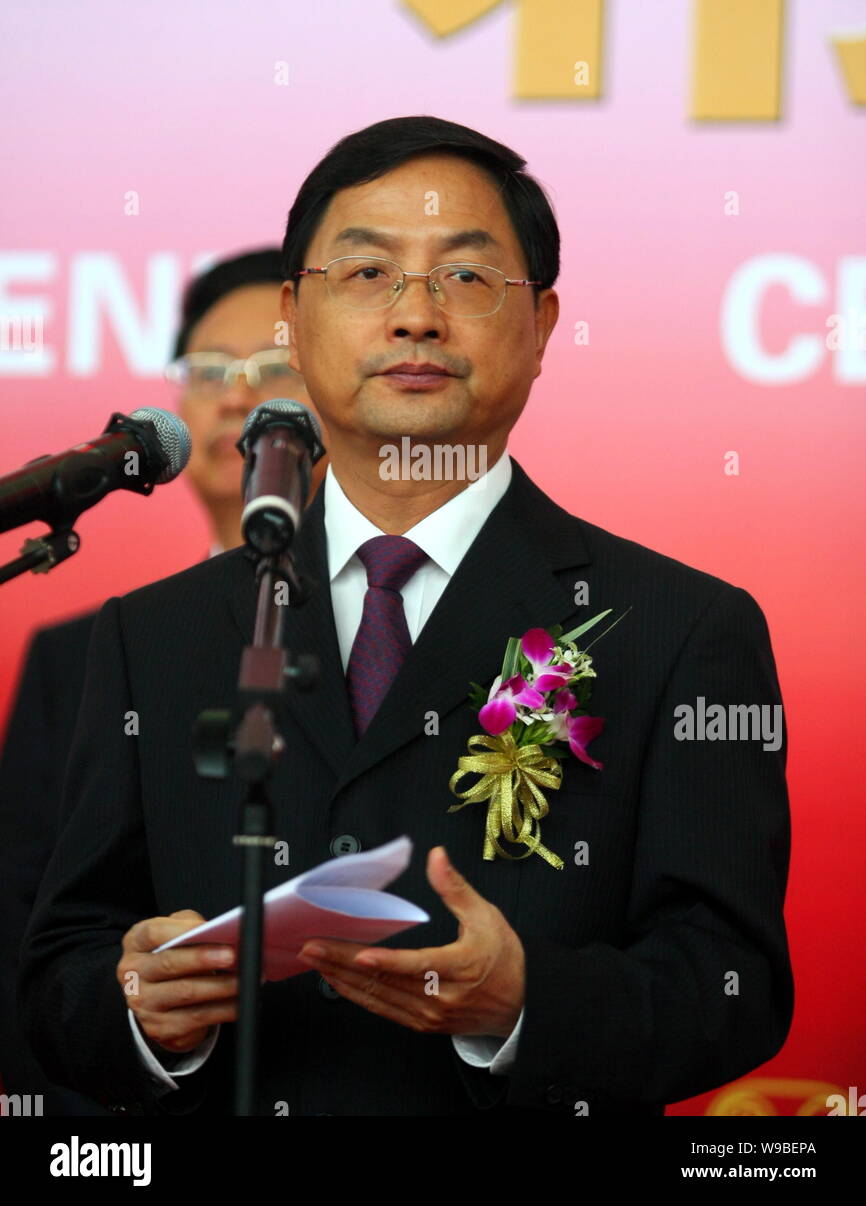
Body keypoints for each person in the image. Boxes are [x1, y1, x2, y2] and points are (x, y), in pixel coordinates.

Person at [18, 116, 793, 1117]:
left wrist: (524, 1004)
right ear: (292, 320)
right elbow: (55, 971)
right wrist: (138, 1008)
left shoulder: (678, 628)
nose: (414, 316)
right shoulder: (151, 636)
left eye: (467, 279)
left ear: (543, 325)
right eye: (366, 274)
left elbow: (731, 984)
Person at [0, 249, 325, 1113]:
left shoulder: (393, 632)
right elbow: (24, 945)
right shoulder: (80, 656)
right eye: (210, 369)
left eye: (273, 368)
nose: (234, 394)